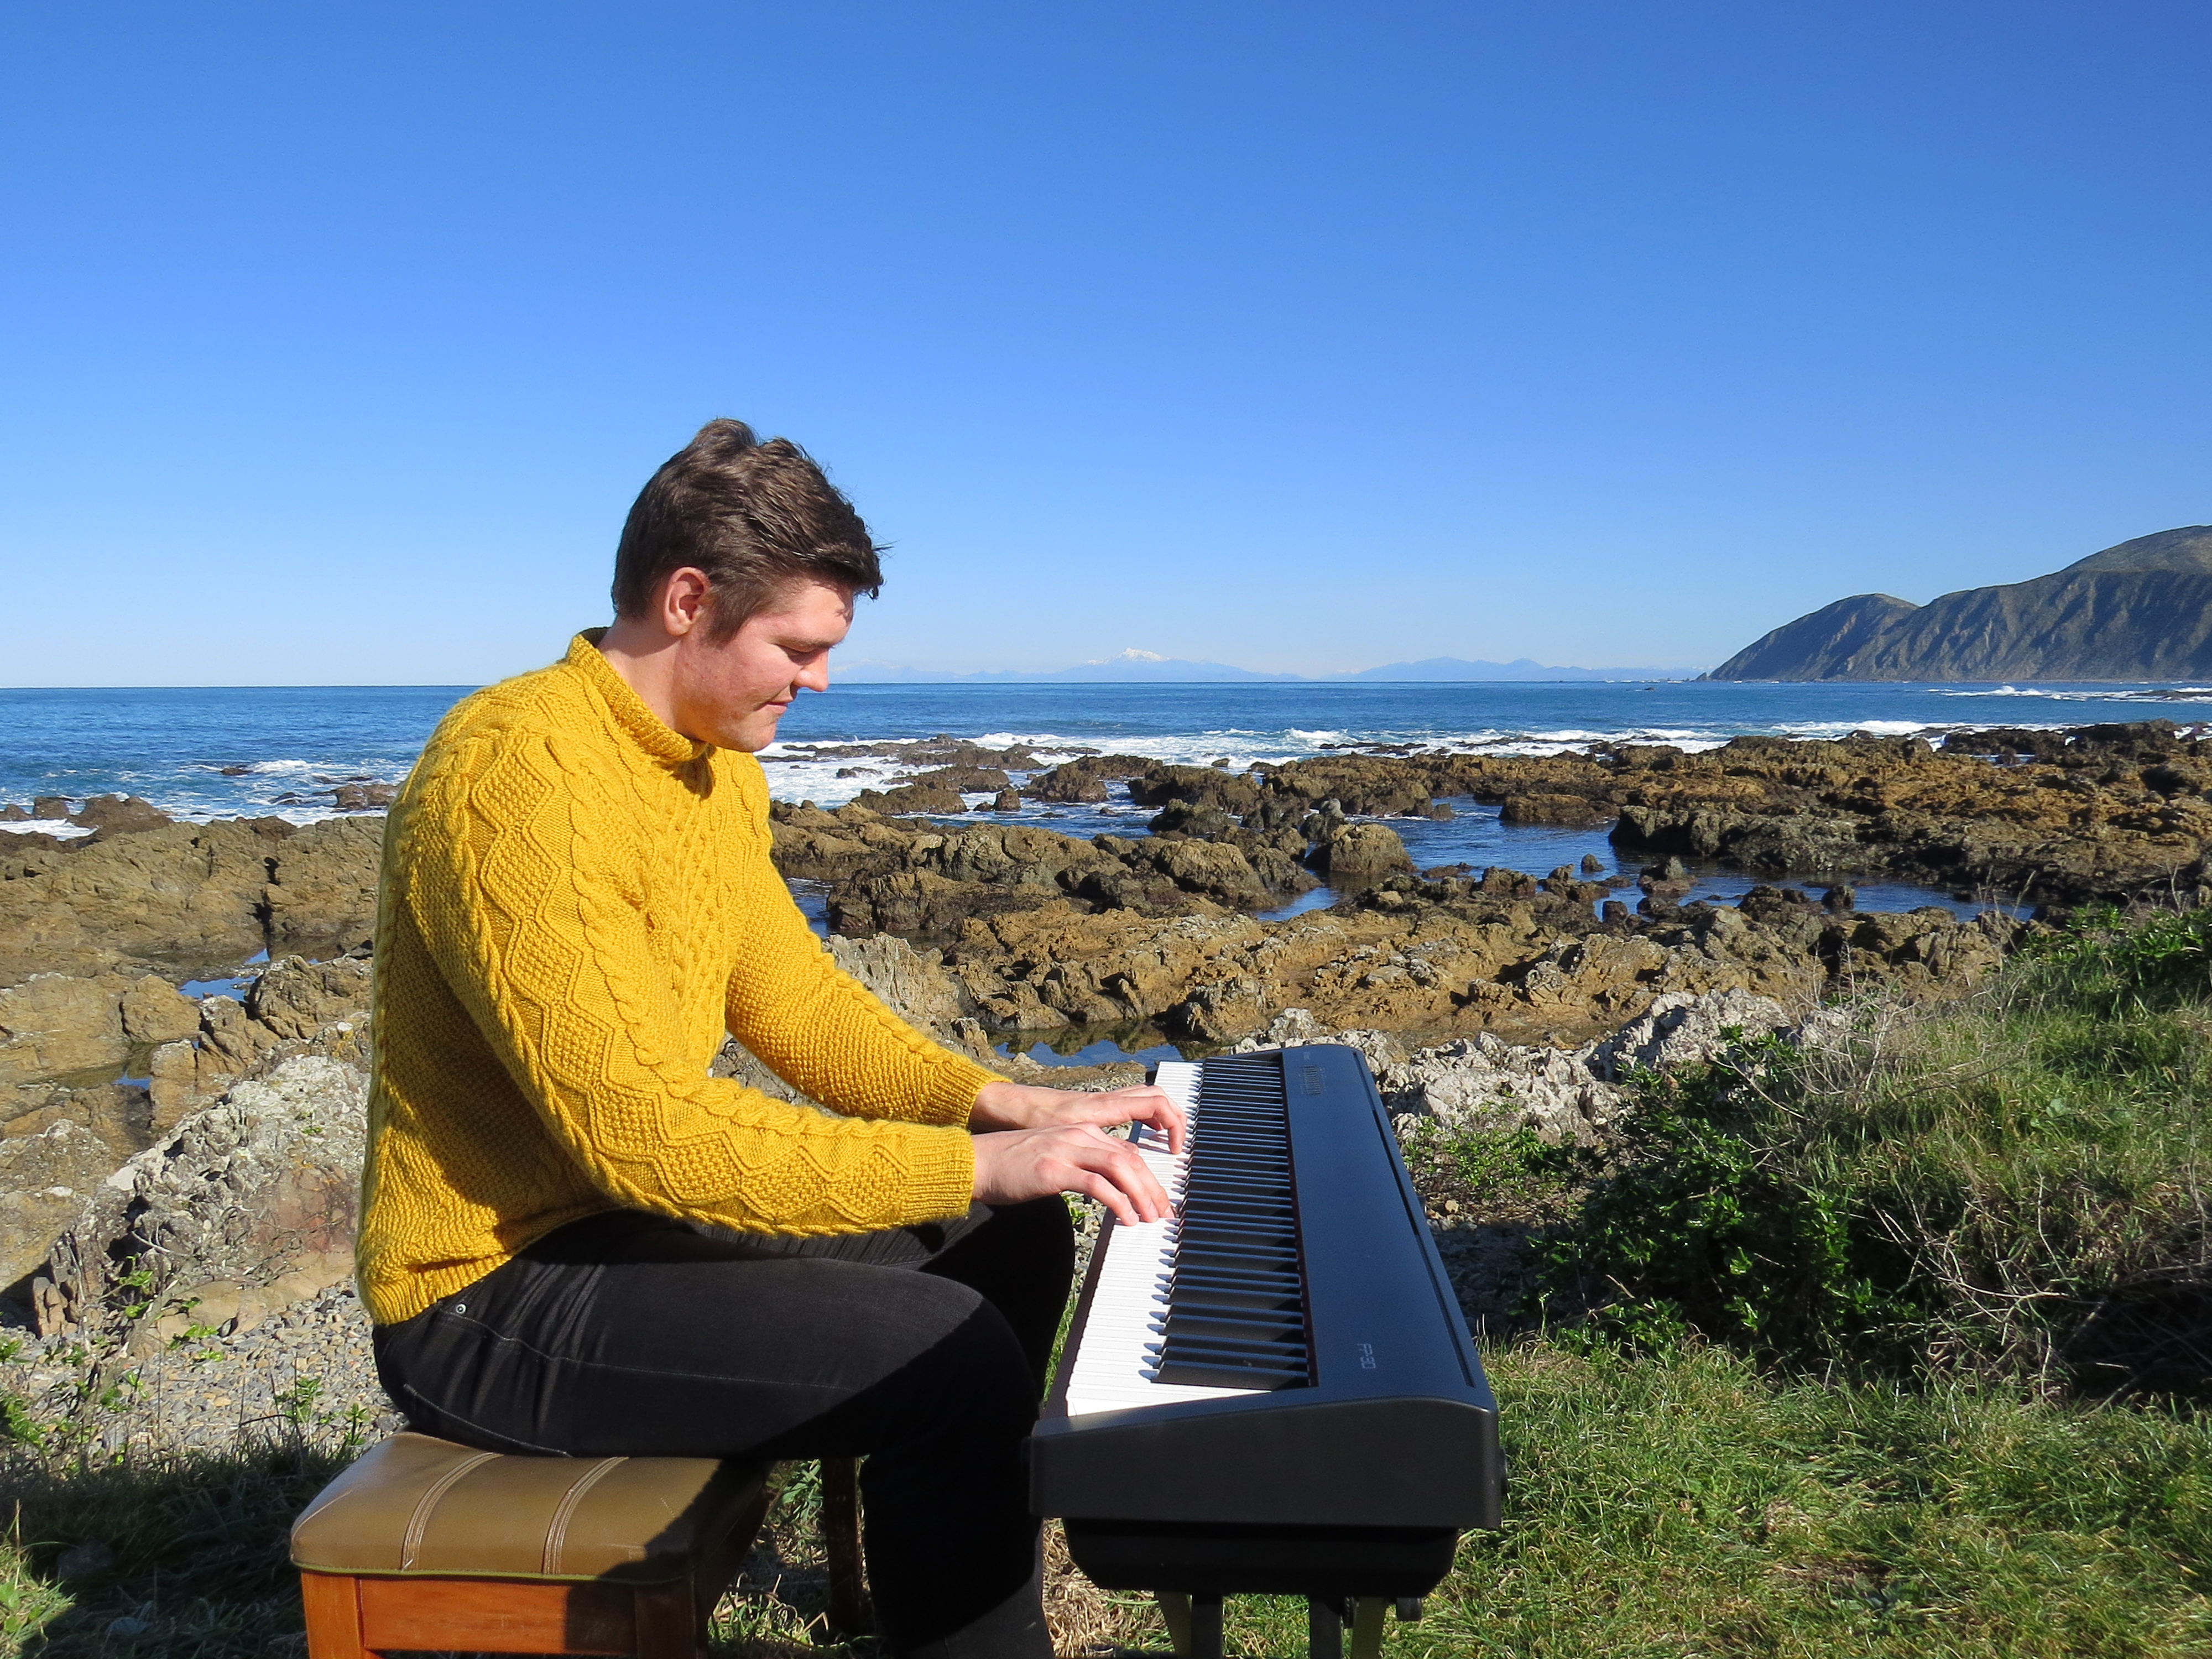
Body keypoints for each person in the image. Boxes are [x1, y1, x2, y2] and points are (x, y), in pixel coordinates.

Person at [357, 419, 1185, 1659]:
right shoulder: (518, 775)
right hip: (484, 1290)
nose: (821, 682)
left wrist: (1005, 1106)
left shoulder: (712, 767)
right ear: (689, 601)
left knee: (1011, 1236)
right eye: (798, 648)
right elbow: (645, 1132)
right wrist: (964, 1160)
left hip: (621, 1220)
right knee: (954, 1362)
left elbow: (795, 1004)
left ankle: (934, 1588)